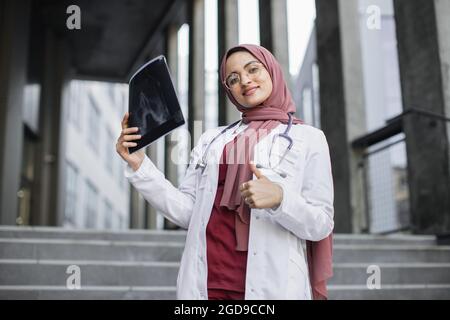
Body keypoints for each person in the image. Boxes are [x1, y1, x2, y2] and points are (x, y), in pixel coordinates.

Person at [116, 44, 334, 300]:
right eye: (233, 78)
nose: (245, 80)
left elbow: (321, 224)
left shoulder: (308, 138)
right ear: (228, 90)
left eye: (253, 69)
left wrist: (281, 199)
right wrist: (140, 165)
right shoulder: (212, 139)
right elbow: (189, 212)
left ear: (272, 71)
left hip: (272, 288)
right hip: (206, 285)